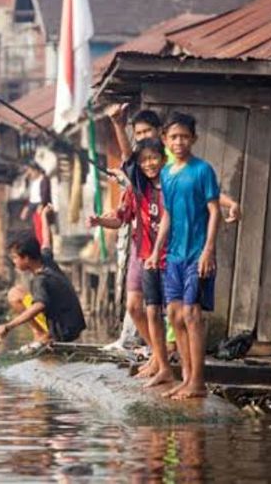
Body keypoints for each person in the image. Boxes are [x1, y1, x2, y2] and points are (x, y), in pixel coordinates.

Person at [102, 103, 240, 355]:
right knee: (142, 306)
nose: (144, 138)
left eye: (147, 132)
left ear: (160, 134)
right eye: (139, 134)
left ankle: (181, 366)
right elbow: (129, 160)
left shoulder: (172, 162)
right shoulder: (145, 166)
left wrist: (229, 203)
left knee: (181, 312)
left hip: (176, 247)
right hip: (147, 245)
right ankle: (159, 356)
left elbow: (204, 192)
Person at [88, 138, 174, 388]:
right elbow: (120, 218)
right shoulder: (136, 189)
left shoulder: (170, 184)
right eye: (143, 160)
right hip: (144, 254)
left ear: (163, 159)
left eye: (153, 158)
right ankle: (158, 357)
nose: (148, 164)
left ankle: (167, 363)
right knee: (140, 308)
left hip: (169, 255)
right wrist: (100, 222)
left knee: (174, 313)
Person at [152, 112, 221, 400]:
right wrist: (157, 250)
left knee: (192, 315)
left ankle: (198, 382)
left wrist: (208, 249)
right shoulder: (166, 173)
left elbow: (215, 211)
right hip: (174, 255)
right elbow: (167, 214)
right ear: (165, 140)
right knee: (174, 315)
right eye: (173, 137)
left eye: (184, 136)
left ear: (193, 139)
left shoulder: (203, 170)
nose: (179, 141)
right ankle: (185, 376)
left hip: (196, 253)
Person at [0, 204, 86, 352]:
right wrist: (44, 218)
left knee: (19, 297)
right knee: (15, 293)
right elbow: (46, 240)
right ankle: (41, 334)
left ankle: (45, 336)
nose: (14, 262)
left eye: (15, 258)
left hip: (63, 332)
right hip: (74, 322)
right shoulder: (45, 259)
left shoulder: (41, 279)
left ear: (27, 258)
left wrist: (8, 326)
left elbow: (39, 306)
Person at [19, 161, 51, 245]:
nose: (30, 174)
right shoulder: (32, 181)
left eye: (31, 172)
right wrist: (26, 208)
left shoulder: (44, 179)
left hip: (41, 204)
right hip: (32, 204)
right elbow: (31, 197)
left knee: (42, 227)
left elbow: (45, 193)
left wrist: (41, 204)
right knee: (34, 227)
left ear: (36, 170)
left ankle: (43, 245)